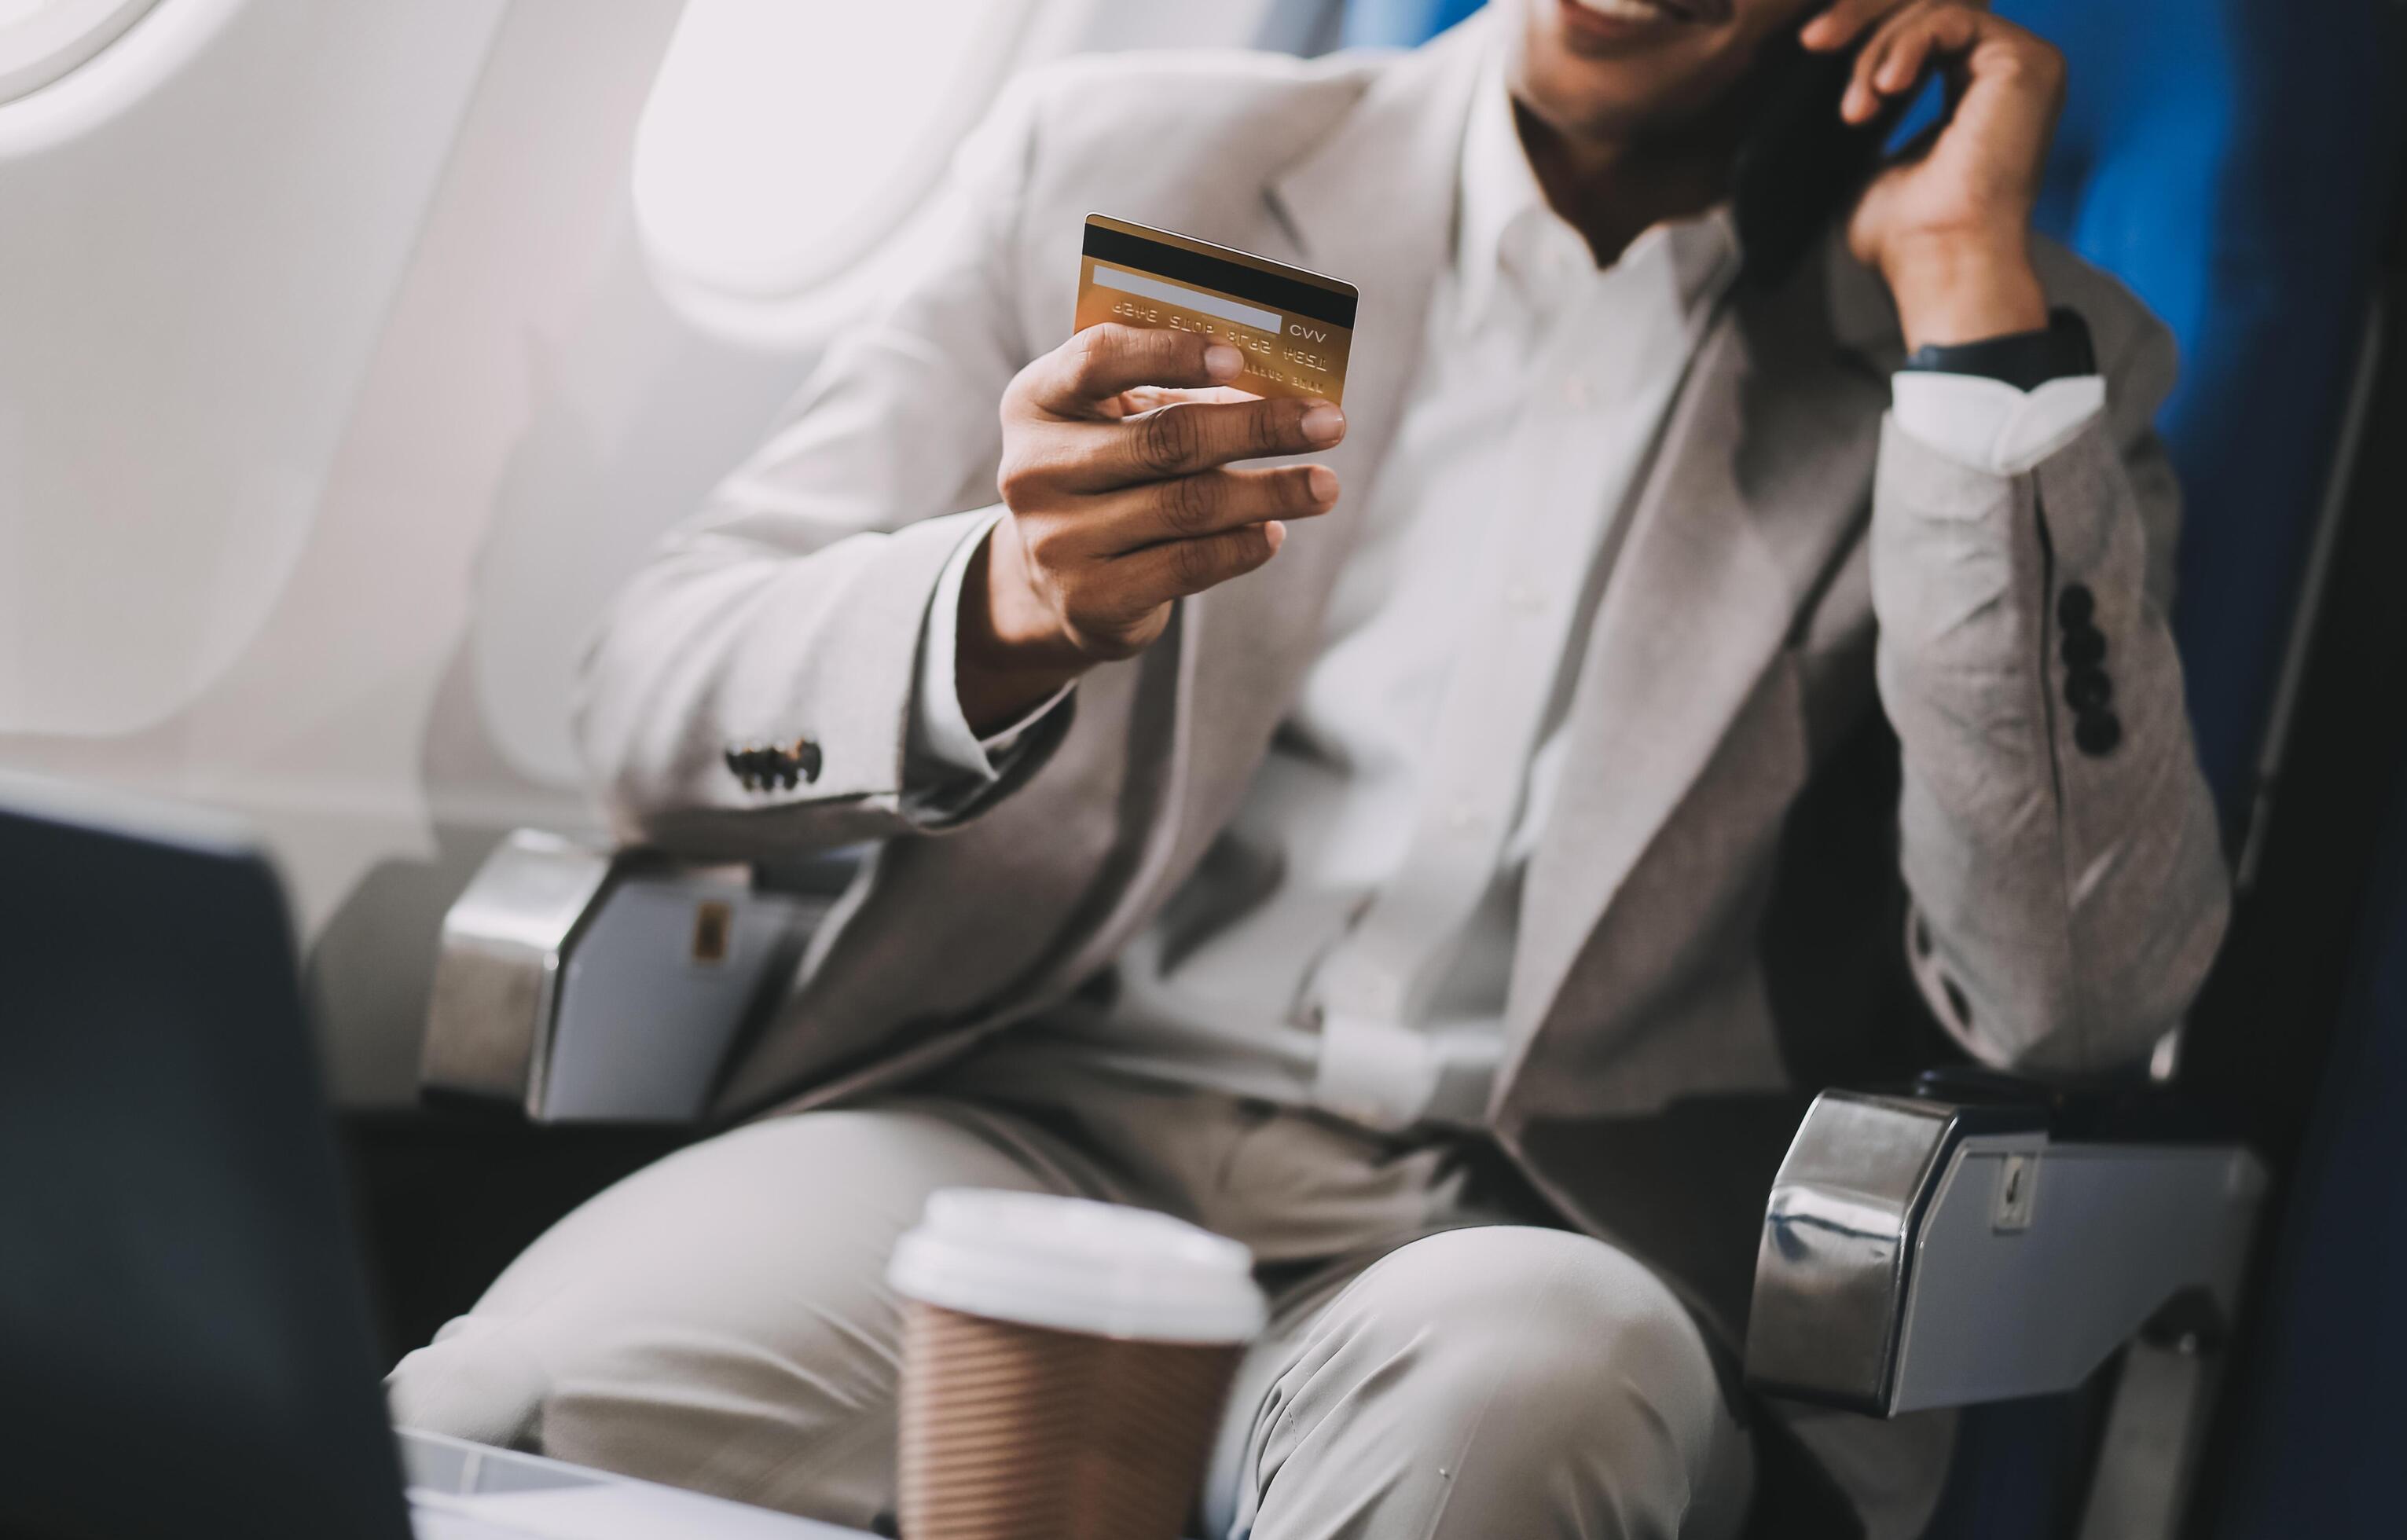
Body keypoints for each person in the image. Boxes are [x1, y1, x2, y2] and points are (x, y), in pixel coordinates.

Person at [388, 1, 2229, 1534]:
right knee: (497, 1406)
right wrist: (996, 611)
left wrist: (1967, 321)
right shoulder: (1124, 160)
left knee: (1523, 1407)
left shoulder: (2004, 360)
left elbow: (2074, 992)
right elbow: (654, 697)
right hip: (1004, 1118)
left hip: (1528, 1224)